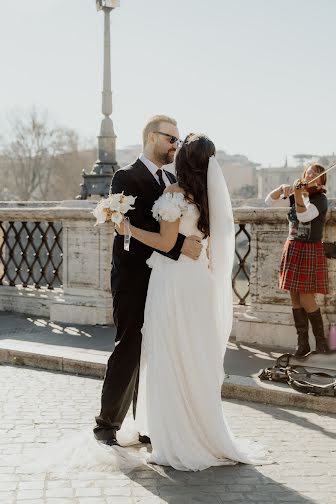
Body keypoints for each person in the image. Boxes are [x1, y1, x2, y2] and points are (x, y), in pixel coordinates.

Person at [117, 133, 270, 471]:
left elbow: (165, 240)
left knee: (170, 352)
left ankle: (176, 436)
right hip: (198, 281)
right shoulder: (207, 198)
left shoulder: (175, 195)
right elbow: (203, 244)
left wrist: (129, 228)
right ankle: (202, 430)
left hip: (172, 281)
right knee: (194, 355)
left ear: (184, 161)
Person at [93, 115, 203, 446]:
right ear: (152, 137)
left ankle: (146, 422)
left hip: (164, 280)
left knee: (155, 350)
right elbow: (130, 225)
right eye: (172, 139)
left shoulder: (171, 177)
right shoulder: (125, 176)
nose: (176, 146)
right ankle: (107, 424)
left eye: (179, 141)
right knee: (129, 346)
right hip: (132, 277)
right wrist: (182, 245)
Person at [265, 163, 329, 357]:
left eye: (316, 174)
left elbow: (304, 216)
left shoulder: (320, 199)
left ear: (321, 181)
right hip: (293, 247)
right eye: (309, 172)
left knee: (306, 297)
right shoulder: (296, 192)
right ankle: (302, 343)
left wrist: (299, 195)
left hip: (309, 249)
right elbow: (268, 201)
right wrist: (281, 189)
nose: (311, 175)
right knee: (294, 296)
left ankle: (321, 342)